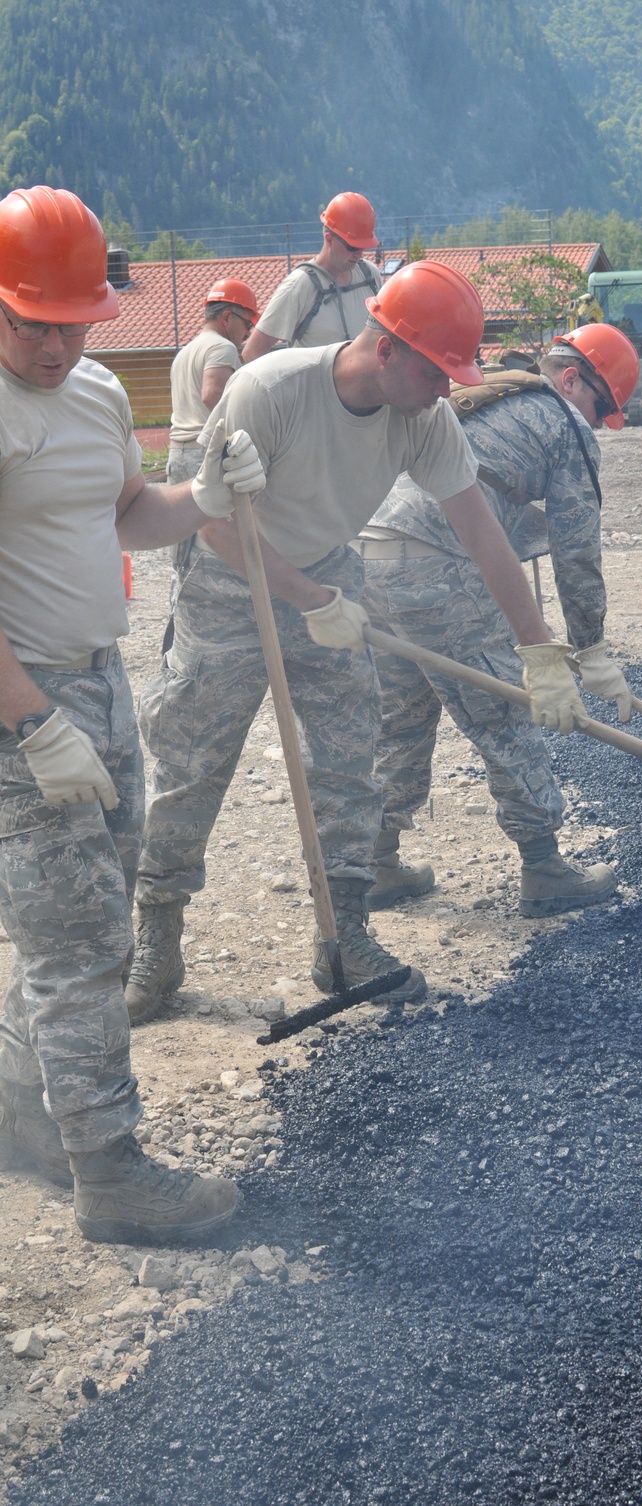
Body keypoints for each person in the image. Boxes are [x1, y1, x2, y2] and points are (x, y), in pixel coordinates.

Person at [125, 260, 586, 1023]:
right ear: (388, 350)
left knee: (347, 757)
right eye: (439, 372)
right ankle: (158, 936)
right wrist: (310, 601)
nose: (450, 390)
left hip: (328, 572)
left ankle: (344, 937)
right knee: (195, 758)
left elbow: (482, 535)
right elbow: (209, 518)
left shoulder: (425, 418)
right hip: (229, 575)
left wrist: (538, 649)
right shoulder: (270, 389)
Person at [0, 186, 264, 1243]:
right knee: (79, 939)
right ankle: (108, 1173)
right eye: (35, 325)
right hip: (20, 702)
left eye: (76, 325)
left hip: (99, 681)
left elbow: (125, 513)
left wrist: (199, 496)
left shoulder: (100, 393)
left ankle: (25, 1113)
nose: (58, 346)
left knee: (86, 930)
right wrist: (30, 721)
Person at [360, 325, 641, 917]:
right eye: (598, 406)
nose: (594, 423)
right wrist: (590, 651)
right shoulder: (562, 424)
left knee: (401, 716)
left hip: (373, 562)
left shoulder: (491, 398)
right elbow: (577, 549)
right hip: (441, 570)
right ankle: (544, 868)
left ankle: (377, 861)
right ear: (571, 379)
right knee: (509, 711)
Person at [241, 192, 381, 361]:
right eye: (352, 247)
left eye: (363, 247)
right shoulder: (299, 286)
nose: (359, 254)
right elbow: (251, 353)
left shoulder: (370, 275)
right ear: (329, 239)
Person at [166, 276, 259, 483]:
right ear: (226, 317)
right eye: (247, 323)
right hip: (205, 453)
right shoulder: (222, 347)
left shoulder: (185, 352)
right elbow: (212, 396)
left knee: (183, 516)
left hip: (178, 453)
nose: (247, 333)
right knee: (223, 516)